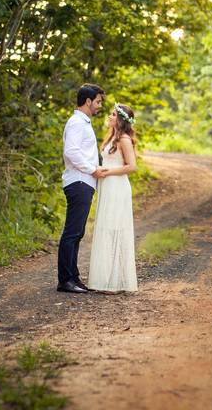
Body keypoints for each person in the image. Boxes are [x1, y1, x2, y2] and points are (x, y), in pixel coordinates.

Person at [57, 83, 105, 294]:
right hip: (79, 181)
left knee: (77, 232)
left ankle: (73, 278)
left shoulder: (83, 122)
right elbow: (71, 152)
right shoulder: (77, 122)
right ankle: (65, 280)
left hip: (83, 182)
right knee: (72, 232)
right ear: (88, 101)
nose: (100, 106)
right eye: (98, 101)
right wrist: (92, 169)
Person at [88, 103, 139, 294]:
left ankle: (115, 282)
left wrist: (107, 172)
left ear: (120, 120)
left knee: (114, 228)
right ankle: (105, 278)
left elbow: (132, 166)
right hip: (107, 187)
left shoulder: (124, 139)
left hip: (117, 187)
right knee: (105, 229)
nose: (109, 116)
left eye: (113, 114)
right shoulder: (111, 138)